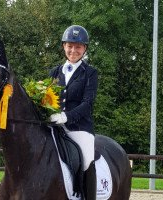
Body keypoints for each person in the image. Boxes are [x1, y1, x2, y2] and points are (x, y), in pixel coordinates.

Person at [49, 25, 98, 200]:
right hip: (54, 126)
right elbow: (47, 98)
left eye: (78, 47)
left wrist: (66, 117)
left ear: (84, 49)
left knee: (86, 160)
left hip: (79, 128)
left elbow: (87, 103)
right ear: (64, 46)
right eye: (70, 46)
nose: (73, 50)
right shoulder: (54, 72)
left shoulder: (90, 73)